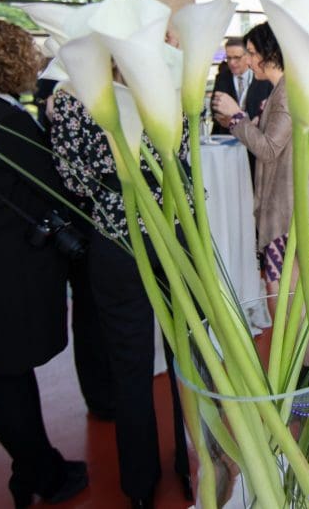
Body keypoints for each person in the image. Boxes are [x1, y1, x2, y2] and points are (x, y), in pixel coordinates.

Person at [50, 84, 192, 509]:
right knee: (188, 357)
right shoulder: (166, 83)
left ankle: (139, 485)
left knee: (129, 367)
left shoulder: (75, 94)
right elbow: (183, 154)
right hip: (173, 231)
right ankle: (193, 467)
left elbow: (71, 178)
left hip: (118, 237)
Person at [0, 20, 89, 508]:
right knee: (11, 373)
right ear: (9, 61)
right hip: (11, 268)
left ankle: (35, 467)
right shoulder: (3, 120)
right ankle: (40, 473)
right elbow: (54, 185)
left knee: (8, 370)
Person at [211, 22, 309, 300]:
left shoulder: (287, 92)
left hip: (290, 209)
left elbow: (269, 149)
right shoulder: (283, 90)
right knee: (289, 288)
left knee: (287, 290)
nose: (248, 61)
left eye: (252, 53)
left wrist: (236, 116)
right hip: (290, 206)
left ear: (271, 53)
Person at [211, 36, 272, 136]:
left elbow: (268, 115)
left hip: (256, 138)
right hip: (227, 138)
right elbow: (216, 112)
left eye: (237, 57)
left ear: (248, 56)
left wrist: (236, 119)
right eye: (229, 58)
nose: (232, 62)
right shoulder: (222, 78)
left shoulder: (264, 79)